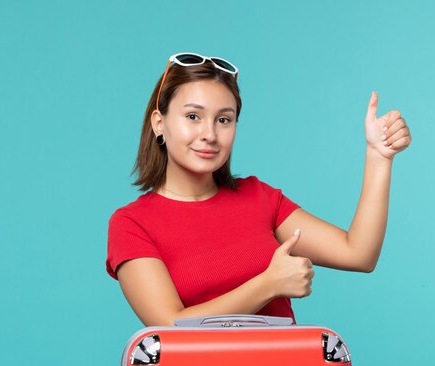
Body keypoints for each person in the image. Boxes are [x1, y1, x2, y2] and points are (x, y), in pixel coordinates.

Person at [106, 52, 412, 326]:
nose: (210, 134)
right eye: (192, 117)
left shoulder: (258, 197)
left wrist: (379, 156)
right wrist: (269, 284)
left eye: (223, 119)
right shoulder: (132, 224)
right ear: (160, 123)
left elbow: (358, 253)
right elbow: (171, 326)